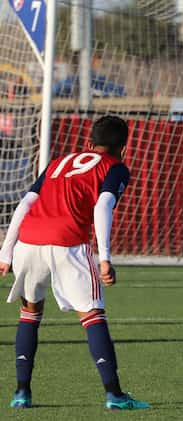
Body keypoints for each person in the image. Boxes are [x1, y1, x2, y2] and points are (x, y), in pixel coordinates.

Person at [0, 116, 148, 410]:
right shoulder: (115, 167)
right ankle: (115, 395)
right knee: (93, 315)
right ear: (123, 148)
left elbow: (26, 202)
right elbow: (104, 204)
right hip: (68, 243)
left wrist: (5, 252)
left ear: (90, 143)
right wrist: (105, 258)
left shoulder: (58, 162)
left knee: (29, 314)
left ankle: (21, 393)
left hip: (28, 242)